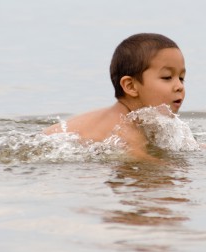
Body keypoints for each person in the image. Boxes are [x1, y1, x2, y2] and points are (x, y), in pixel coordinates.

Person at [44, 33, 186, 160]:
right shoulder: (127, 132)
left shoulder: (146, 121)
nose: (179, 86)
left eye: (181, 78)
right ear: (130, 86)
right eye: (167, 77)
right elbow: (146, 166)